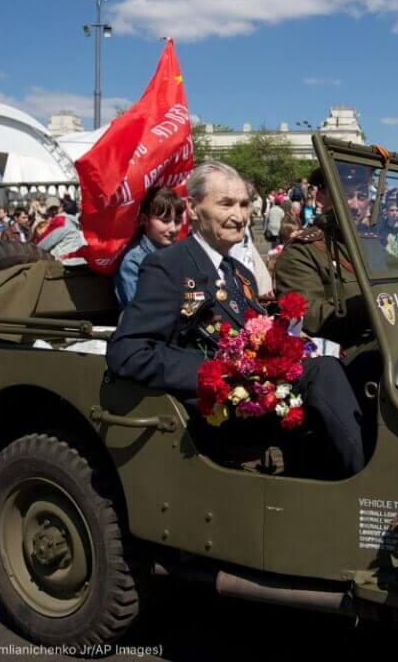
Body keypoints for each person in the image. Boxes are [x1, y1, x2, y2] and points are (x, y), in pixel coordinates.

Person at [107, 161, 365, 477]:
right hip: (213, 412)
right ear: (192, 207)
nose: (239, 216)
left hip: (258, 397)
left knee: (360, 367)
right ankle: (367, 482)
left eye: (243, 204)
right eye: (225, 203)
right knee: (323, 372)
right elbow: (129, 351)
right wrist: (216, 373)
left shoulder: (238, 273)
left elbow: (251, 332)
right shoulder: (167, 266)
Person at [273, 168, 374, 356]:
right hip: (347, 359)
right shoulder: (302, 251)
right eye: (346, 196)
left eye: (362, 196)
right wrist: (373, 305)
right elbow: (308, 317)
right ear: (320, 198)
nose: (354, 205)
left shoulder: (373, 244)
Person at [113, 187, 185, 309]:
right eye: (165, 221)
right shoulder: (133, 261)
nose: (173, 229)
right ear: (144, 220)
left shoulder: (182, 253)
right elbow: (138, 311)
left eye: (177, 221)